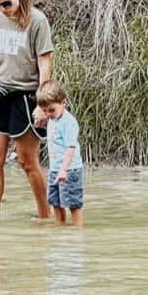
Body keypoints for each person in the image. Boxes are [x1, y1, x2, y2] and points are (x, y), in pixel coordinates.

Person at [0, 0, 54, 221]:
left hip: (26, 96)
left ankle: (46, 216)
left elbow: (45, 63)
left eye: (7, 3)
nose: (3, 9)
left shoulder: (38, 21)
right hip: (0, 93)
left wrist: (42, 104)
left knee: (27, 162)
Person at [37, 80, 84, 227]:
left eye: (51, 110)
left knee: (73, 204)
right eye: (45, 111)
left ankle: (78, 230)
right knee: (55, 202)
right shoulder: (52, 119)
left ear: (64, 103)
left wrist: (64, 170)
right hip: (55, 169)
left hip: (69, 170)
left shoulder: (68, 122)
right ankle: (60, 228)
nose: (48, 114)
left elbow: (71, 148)